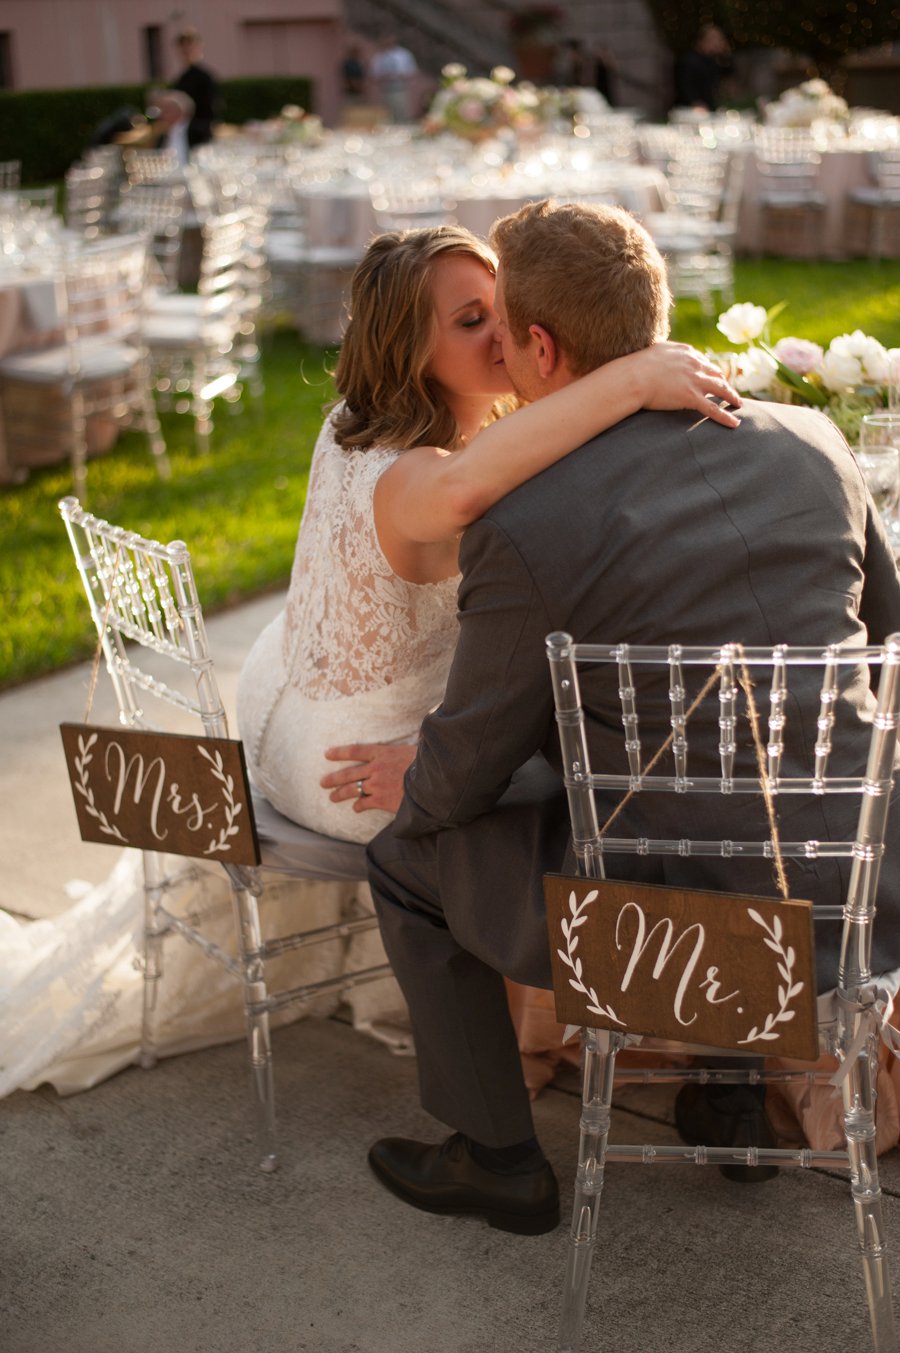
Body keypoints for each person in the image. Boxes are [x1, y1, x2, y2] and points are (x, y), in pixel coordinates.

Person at [363, 199, 900, 1233]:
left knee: (407, 856)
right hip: (859, 893)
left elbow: (470, 764)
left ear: (540, 346)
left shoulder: (527, 520)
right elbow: (891, 635)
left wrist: (416, 787)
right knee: (702, 796)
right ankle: (729, 1093)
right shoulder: (816, 443)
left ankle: (497, 1159)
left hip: (667, 932)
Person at [236, 223, 739, 852]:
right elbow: (461, 490)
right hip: (361, 769)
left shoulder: (354, 419)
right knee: (600, 789)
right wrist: (635, 378)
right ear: (410, 349)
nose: (504, 330)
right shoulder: (410, 476)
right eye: (472, 321)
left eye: (500, 306)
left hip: (279, 703)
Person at [172, 27, 221, 147]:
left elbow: (211, 109)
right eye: (184, 48)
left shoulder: (205, 77)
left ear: (199, 47)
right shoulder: (183, 77)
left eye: (190, 47)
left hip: (199, 132)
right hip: (184, 131)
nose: (187, 51)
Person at [673, 24, 734, 112]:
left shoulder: (714, 61)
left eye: (719, 40)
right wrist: (695, 103)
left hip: (710, 108)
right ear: (702, 41)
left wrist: (725, 54)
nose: (716, 43)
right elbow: (685, 86)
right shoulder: (689, 61)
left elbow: (729, 72)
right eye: (713, 39)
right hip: (689, 109)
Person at [369, 35, 418, 123]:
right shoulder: (380, 56)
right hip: (385, 90)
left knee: (401, 113)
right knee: (387, 117)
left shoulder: (403, 54)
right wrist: (384, 77)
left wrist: (397, 76)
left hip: (400, 89)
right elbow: (374, 75)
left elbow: (411, 72)